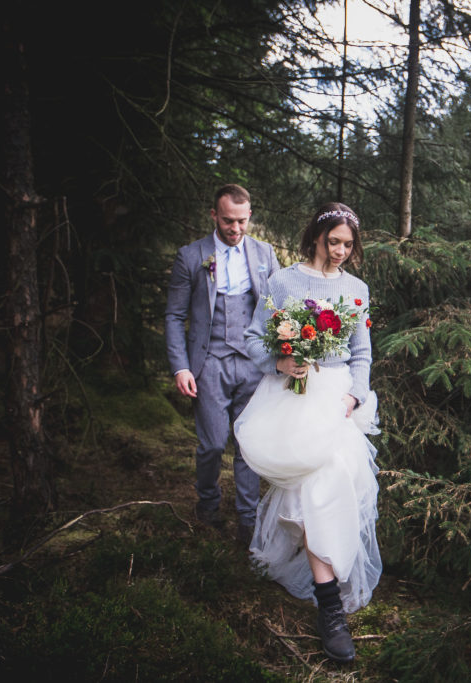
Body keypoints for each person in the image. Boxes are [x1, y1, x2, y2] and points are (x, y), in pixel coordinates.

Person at [235, 202, 380, 662]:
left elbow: (361, 352)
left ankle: (329, 601)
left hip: (336, 401)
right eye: (333, 241)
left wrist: (354, 396)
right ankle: (331, 608)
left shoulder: (357, 288)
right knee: (310, 492)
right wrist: (281, 361)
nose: (340, 251)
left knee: (333, 485)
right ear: (317, 236)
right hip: (293, 396)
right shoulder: (284, 281)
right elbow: (254, 337)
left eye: (348, 244)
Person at [165, 184, 281, 545]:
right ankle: (208, 505)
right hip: (209, 362)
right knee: (213, 444)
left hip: (253, 363)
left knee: (247, 445)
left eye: (242, 221)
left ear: (250, 217)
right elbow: (174, 316)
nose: (235, 228)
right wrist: (180, 367)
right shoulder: (191, 256)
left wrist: (285, 354)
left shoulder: (265, 254)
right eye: (228, 220)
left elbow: (279, 308)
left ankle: (248, 519)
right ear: (214, 215)